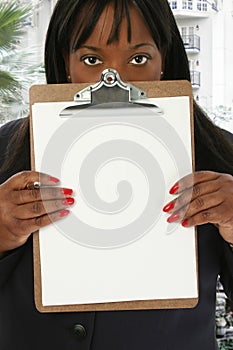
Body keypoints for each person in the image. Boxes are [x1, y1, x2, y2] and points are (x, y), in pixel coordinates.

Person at [0, 0, 233, 349]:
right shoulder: (5, 148)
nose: (115, 80)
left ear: (164, 61)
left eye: (138, 59)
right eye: (91, 60)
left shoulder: (221, 155)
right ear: (66, 62)